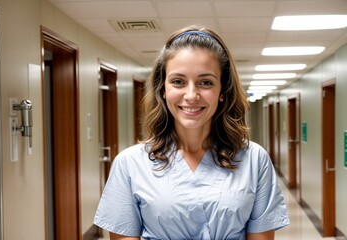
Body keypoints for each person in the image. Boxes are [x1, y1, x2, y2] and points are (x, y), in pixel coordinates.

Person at [94, 25, 290, 240]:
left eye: (205, 82)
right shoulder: (130, 163)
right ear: (163, 89)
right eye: (178, 82)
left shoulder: (254, 159)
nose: (191, 95)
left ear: (222, 91)